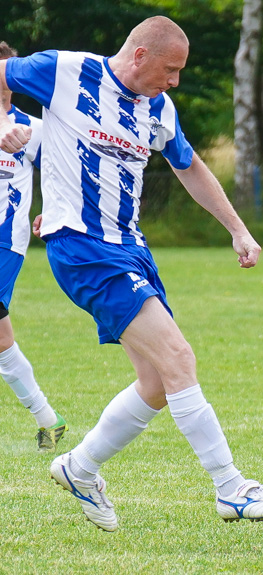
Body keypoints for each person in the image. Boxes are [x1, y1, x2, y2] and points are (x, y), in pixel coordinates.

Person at [0, 16, 263, 532]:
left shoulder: (158, 107)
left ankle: (79, 467)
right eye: (170, 68)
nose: (175, 80)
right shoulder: (66, 71)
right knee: (180, 357)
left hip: (131, 249)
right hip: (83, 249)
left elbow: (190, 166)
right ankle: (232, 489)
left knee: (157, 381)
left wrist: (238, 229)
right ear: (139, 55)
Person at [0, 42, 67, 452]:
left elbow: (61, 176)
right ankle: (48, 418)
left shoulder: (33, 128)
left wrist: (54, 211)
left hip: (5, 242)